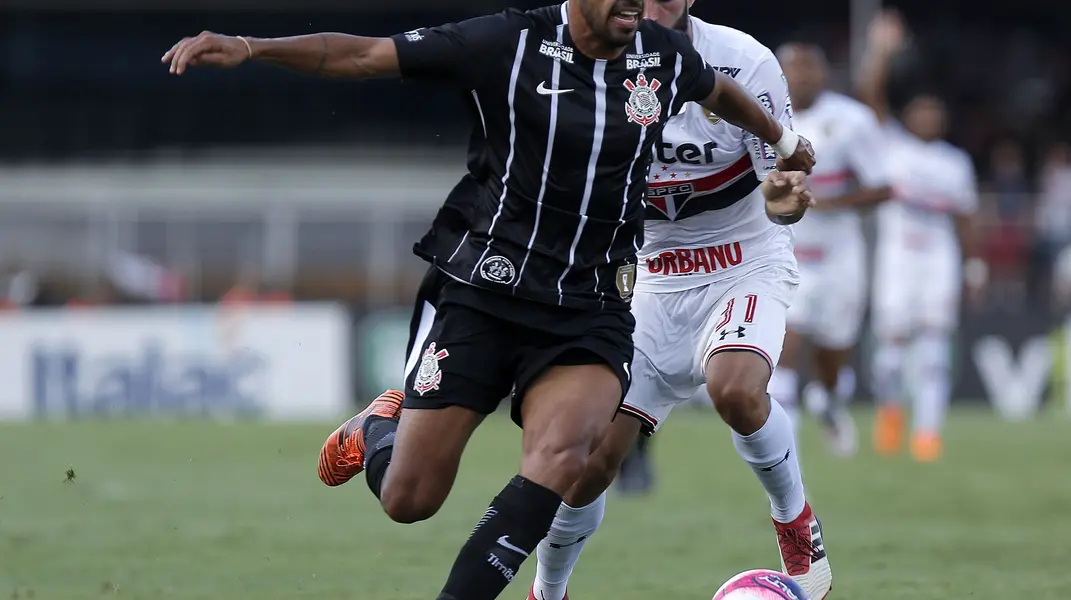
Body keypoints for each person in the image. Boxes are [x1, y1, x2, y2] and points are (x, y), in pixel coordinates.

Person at [162, 2, 815, 599]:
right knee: (408, 498)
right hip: (487, 294)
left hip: (592, 307)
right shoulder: (508, 42)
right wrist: (252, 46)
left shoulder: (662, 55)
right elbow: (363, 54)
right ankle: (378, 429)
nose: (634, 5)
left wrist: (784, 146)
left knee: (568, 458)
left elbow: (719, 91)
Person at [528, 2, 831, 599]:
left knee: (736, 390)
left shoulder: (744, 63)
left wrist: (786, 197)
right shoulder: (584, 68)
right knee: (585, 464)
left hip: (743, 260)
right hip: (648, 280)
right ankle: (548, 591)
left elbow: (784, 196)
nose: (648, 6)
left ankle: (795, 522)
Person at [856, 10, 983, 462]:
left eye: (936, 113)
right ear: (909, 117)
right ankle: (890, 412)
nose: (929, 118)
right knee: (890, 351)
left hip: (938, 262)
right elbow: (869, 95)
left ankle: (928, 431)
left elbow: (967, 217)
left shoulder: (955, 163)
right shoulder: (893, 147)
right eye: (921, 111)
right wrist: (881, 52)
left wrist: (974, 265)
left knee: (933, 350)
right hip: (898, 259)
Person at [767, 41, 893, 458]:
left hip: (840, 253)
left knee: (833, 352)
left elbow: (882, 187)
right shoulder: (762, 116)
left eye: (809, 70)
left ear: (824, 74)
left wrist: (830, 203)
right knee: (786, 347)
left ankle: (829, 401)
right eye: (793, 70)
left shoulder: (852, 120)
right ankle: (789, 456)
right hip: (786, 250)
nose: (801, 78)